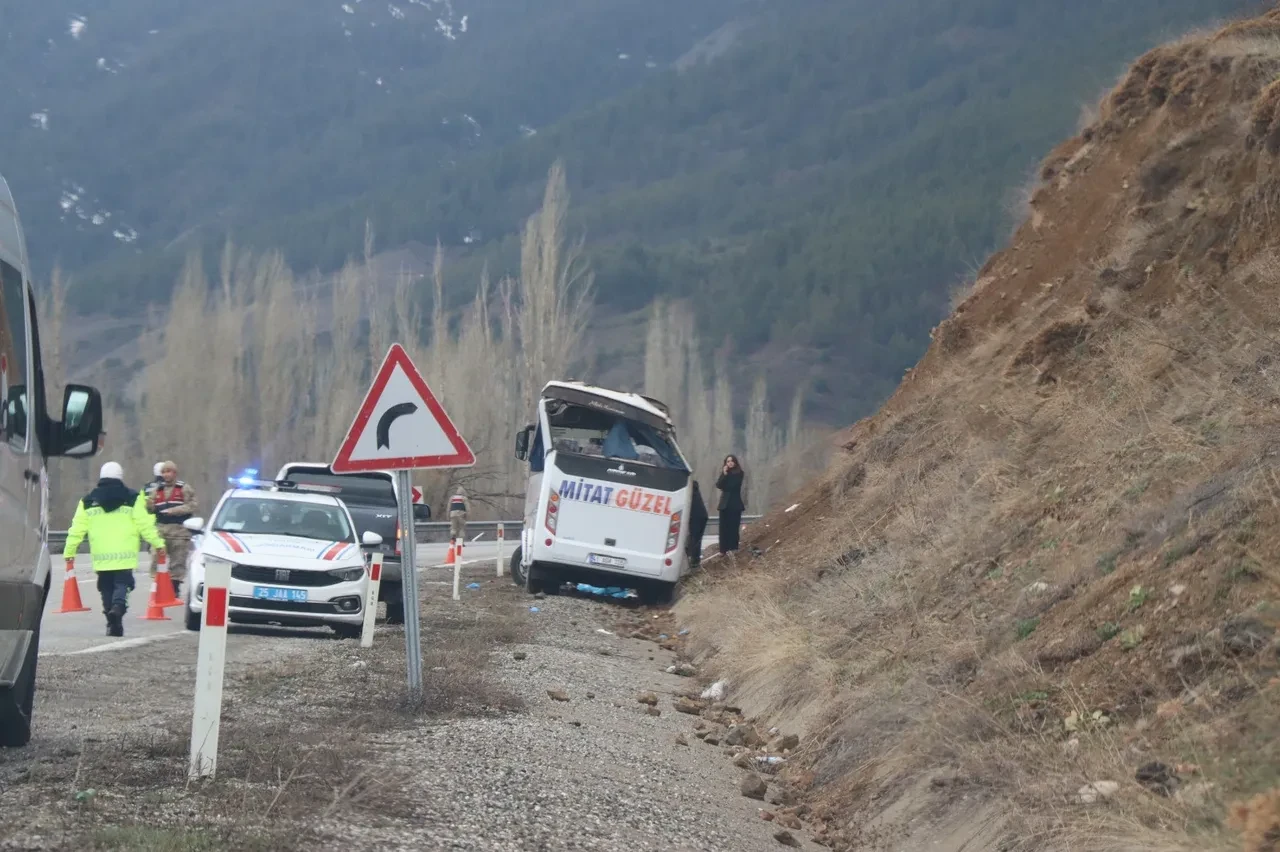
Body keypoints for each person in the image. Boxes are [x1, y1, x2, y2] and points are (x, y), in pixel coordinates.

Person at [63, 462, 167, 637]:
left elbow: (77, 529)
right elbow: (145, 524)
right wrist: (158, 543)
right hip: (124, 554)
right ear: (120, 476)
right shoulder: (133, 497)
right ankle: (117, 609)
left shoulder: (87, 501)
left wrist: (69, 551)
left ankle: (112, 622)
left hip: (101, 555)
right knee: (123, 584)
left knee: (105, 587)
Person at [146, 460, 197, 597]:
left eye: (169, 471)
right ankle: (158, 586)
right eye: (164, 472)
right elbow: (149, 509)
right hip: (161, 530)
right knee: (156, 558)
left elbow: (192, 506)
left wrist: (174, 511)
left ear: (175, 473)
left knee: (178, 561)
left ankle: (174, 588)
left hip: (179, 531)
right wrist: (149, 505)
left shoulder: (184, 488)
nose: (166, 475)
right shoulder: (157, 490)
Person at [715, 455, 746, 555]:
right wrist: (724, 474)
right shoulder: (725, 473)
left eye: (732, 461)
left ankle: (733, 547)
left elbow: (731, 486)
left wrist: (726, 478)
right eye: (728, 461)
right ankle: (723, 549)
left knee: (733, 526)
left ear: (735, 462)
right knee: (723, 527)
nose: (730, 463)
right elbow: (719, 485)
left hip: (735, 504)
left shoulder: (739, 473)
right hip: (724, 505)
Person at [686, 480, 709, 570]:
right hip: (700, 517)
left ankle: (694, 561)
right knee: (695, 538)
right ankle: (694, 559)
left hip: (697, 517)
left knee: (695, 538)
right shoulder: (693, 490)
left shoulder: (691, 493)